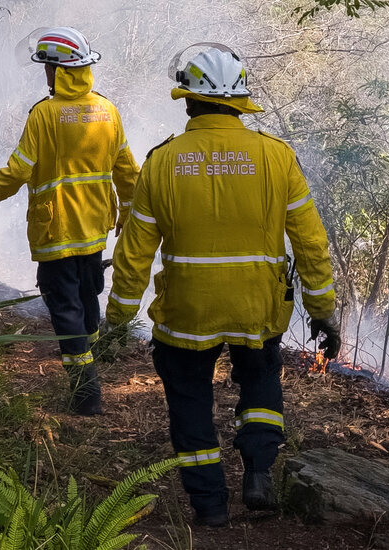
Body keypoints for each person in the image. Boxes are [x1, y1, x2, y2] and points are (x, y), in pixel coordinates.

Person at [106, 43, 340, 528]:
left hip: (187, 314)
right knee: (259, 380)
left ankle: (209, 506)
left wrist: (117, 319)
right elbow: (311, 242)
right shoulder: (277, 157)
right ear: (240, 101)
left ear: (187, 101)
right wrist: (322, 310)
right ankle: (257, 473)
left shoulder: (162, 161)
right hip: (258, 309)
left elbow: (134, 253)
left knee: (190, 401)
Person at [0, 27, 139, 416]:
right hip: (95, 230)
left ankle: (86, 396)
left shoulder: (45, 114)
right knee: (87, 299)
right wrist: (128, 213)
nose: (44, 74)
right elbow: (128, 171)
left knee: (65, 311)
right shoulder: (107, 110)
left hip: (56, 231)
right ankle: (92, 361)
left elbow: (19, 171)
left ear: (56, 70)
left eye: (46, 67)